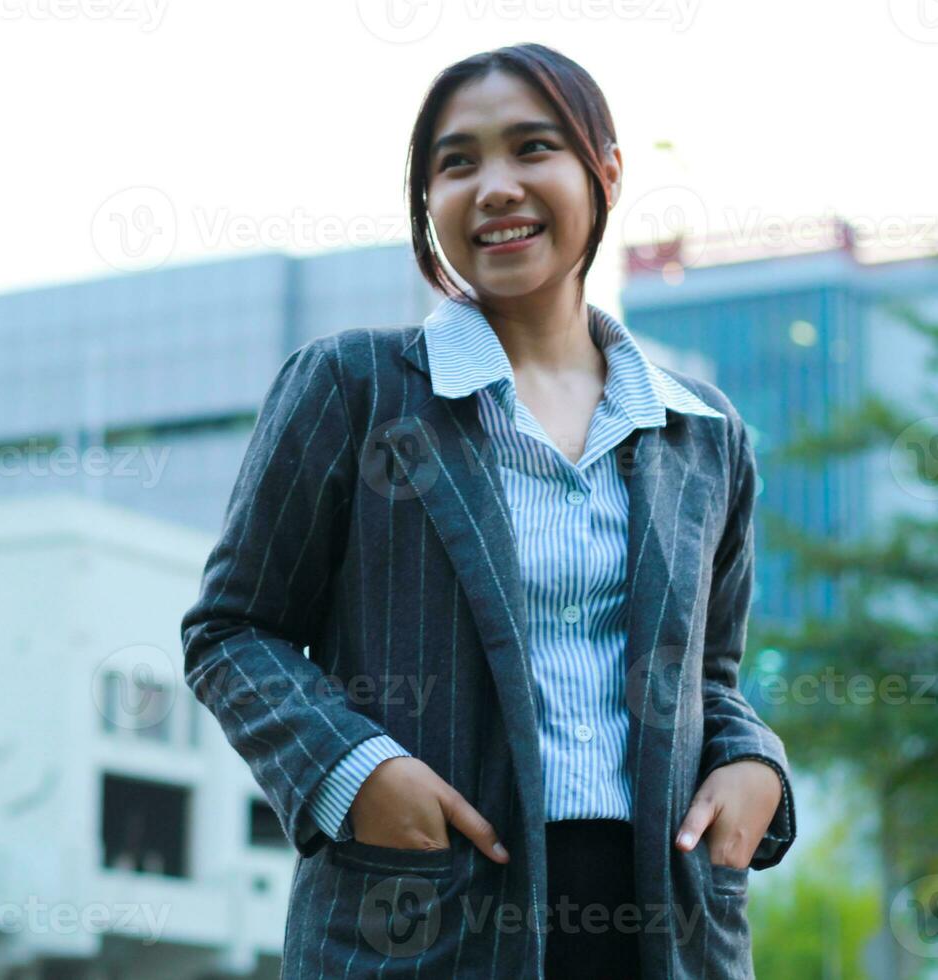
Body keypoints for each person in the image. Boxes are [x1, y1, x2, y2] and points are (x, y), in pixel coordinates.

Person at [180, 42, 795, 979]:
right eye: (457, 163)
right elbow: (232, 630)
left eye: (533, 148)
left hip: (664, 923)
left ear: (607, 171)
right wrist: (357, 772)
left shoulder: (703, 437)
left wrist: (755, 761)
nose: (495, 186)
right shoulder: (354, 388)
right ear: (429, 199)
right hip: (427, 910)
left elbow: (708, 676)